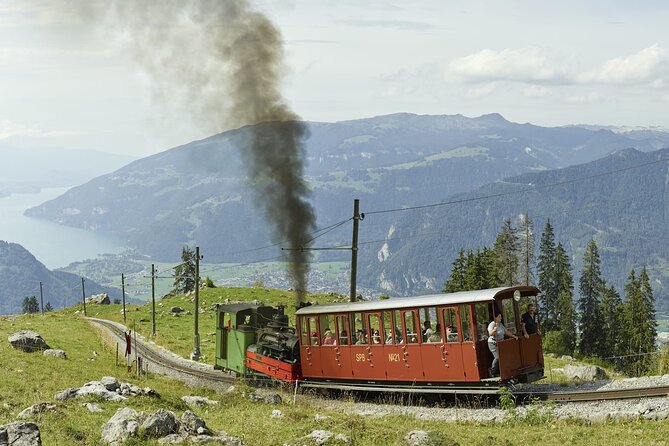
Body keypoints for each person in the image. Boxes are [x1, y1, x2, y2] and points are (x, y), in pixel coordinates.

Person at [487, 313, 518, 377]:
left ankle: (502, 372)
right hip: (493, 343)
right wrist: (494, 330)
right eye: (499, 317)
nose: (501, 318)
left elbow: (506, 331)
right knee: (497, 357)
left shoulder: (500, 325)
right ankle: (492, 371)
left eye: (501, 316)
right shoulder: (492, 324)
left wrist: (513, 336)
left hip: (501, 343)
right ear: (495, 318)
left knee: (503, 357)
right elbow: (490, 334)